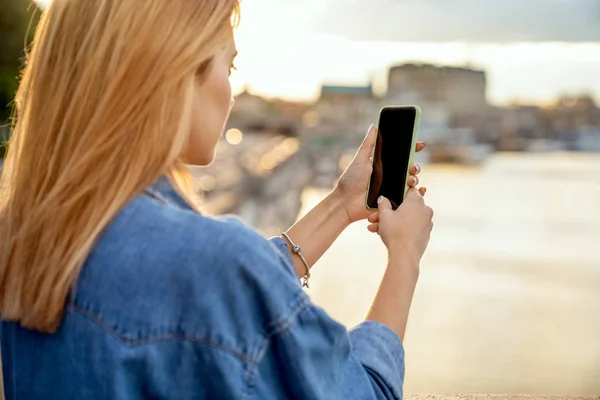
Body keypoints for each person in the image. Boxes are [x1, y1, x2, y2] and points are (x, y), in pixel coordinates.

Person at [0, 0, 434, 399]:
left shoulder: (27, 231)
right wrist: (405, 257)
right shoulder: (212, 264)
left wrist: (341, 205)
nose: (230, 91)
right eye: (230, 67)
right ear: (177, 71)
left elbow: (204, 288)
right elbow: (367, 391)